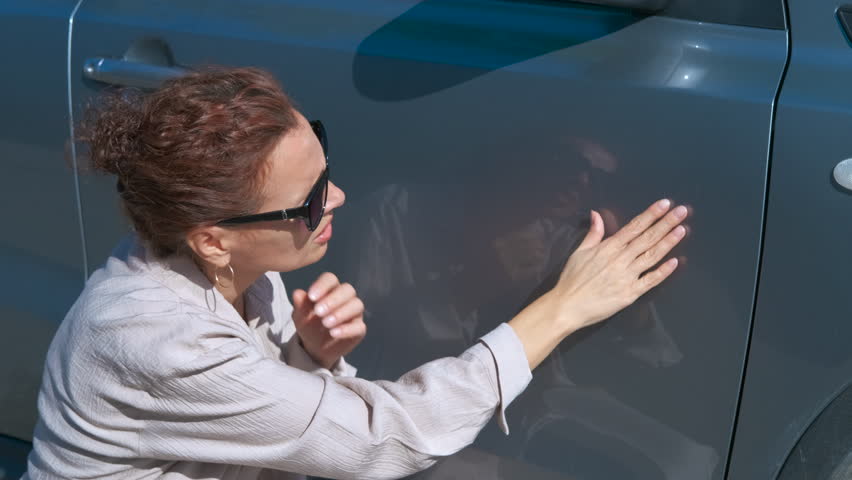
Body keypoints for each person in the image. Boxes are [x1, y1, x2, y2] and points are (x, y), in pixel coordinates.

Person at [24, 67, 688, 480]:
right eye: (310, 200)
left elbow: (251, 422)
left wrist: (303, 355)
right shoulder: (154, 336)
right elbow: (383, 439)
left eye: (327, 171)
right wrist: (563, 306)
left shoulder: (236, 270)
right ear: (213, 239)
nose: (337, 199)